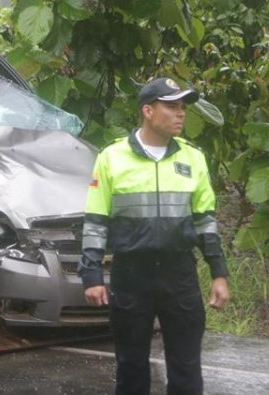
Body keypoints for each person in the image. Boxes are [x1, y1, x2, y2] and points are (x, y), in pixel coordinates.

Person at [79, 77, 230, 395]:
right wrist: (91, 273)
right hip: (132, 275)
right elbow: (96, 220)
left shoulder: (193, 158)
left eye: (182, 107)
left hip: (180, 275)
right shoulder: (112, 158)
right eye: (172, 106)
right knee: (131, 366)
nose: (181, 113)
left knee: (186, 368)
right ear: (148, 110)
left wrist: (219, 273)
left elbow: (205, 220)